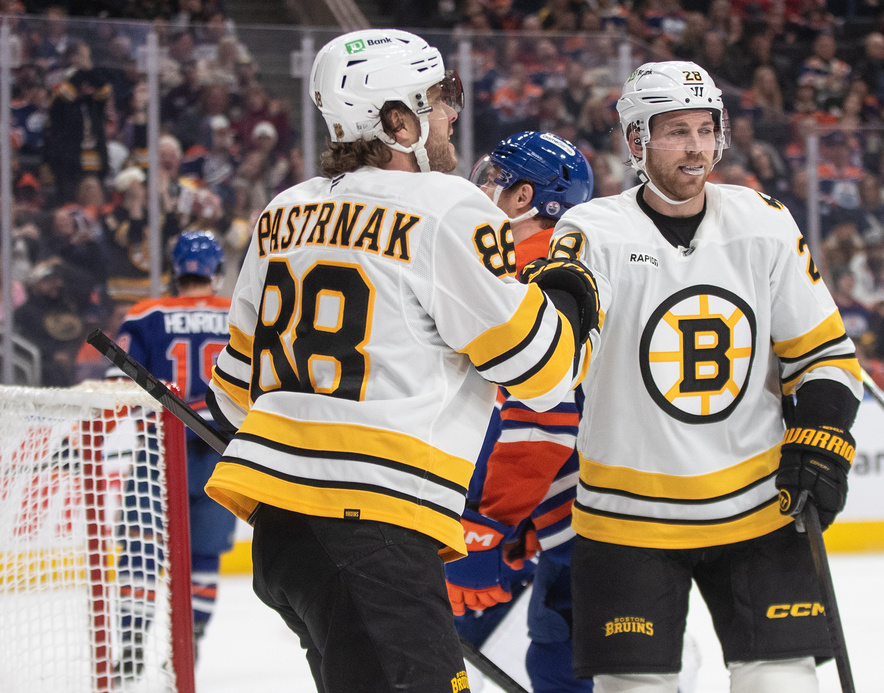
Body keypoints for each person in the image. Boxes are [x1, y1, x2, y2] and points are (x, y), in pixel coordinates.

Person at [203, 29, 600, 693]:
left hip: (282, 536)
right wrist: (568, 289)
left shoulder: (282, 212)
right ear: (398, 122)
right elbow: (542, 373)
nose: (451, 115)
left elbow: (232, 393)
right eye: (439, 100)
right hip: (372, 532)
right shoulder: (446, 207)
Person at [544, 60, 864, 692]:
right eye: (676, 131)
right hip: (626, 516)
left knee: (784, 683)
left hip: (758, 506)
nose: (696, 147)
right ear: (636, 140)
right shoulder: (591, 231)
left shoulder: (764, 221)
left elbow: (824, 354)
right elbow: (555, 360)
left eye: (705, 129)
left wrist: (822, 440)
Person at [450, 130, 595, 692]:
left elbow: (543, 418)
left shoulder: (531, 275)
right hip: (573, 511)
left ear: (524, 197)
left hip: (585, 519)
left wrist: (489, 523)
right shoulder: (558, 263)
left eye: (495, 180)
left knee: (568, 666)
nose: (483, 189)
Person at [106, 231, 236, 681]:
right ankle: (191, 638)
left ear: (174, 271)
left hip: (159, 448)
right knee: (204, 555)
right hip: (220, 452)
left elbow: (116, 384)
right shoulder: (240, 313)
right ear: (217, 272)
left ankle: (131, 643)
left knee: (140, 547)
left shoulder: (146, 314)